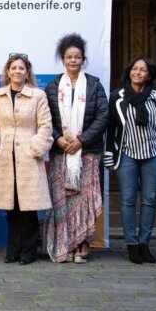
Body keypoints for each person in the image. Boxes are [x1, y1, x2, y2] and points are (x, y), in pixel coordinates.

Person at [44, 33, 108, 263]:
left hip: (87, 153)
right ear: (63, 60)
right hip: (61, 153)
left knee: (83, 200)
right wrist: (57, 138)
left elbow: (103, 115)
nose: (73, 60)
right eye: (69, 57)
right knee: (62, 201)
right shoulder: (52, 86)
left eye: (77, 57)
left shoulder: (94, 84)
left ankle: (82, 244)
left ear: (83, 60)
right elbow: (44, 118)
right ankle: (64, 244)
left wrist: (82, 140)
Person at [105, 57, 156, 264]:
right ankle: (132, 244)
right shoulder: (117, 96)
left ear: (149, 74)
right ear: (129, 72)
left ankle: (144, 243)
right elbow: (110, 128)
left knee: (149, 199)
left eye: (142, 70)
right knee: (127, 200)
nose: (137, 72)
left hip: (154, 154)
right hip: (126, 154)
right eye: (134, 69)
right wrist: (109, 154)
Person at [0, 54, 53, 265]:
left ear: (27, 72)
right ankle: (12, 250)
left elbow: (45, 125)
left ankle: (28, 252)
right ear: (7, 72)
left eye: (21, 68)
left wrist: (35, 148)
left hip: (28, 158)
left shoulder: (38, 95)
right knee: (11, 208)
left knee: (28, 209)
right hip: (5, 157)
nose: (17, 71)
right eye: (13, 68)